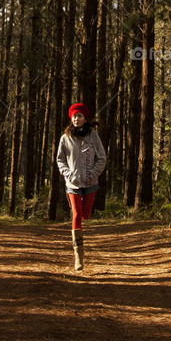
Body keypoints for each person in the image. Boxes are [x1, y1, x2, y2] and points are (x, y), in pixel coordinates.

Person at [56, 102, 106, 272]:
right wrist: (68, 174)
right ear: (71, 118)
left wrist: (94, 173)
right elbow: (60, 159)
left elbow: (102, 158)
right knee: (76, 215)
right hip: (73, 184)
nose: (76, 119)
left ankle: (79, 250)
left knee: (85, 214)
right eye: (74, 116)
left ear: (85, 119)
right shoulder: (66, 138)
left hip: (90, 183)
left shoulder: (93, 136)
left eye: (80, 116)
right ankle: (79, 255)